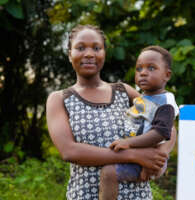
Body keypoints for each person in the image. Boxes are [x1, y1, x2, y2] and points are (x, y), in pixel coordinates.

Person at [46, 24, 176, 200]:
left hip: (137, 195)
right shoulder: (60, 99)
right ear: (70, 55)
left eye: (97, 48)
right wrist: (135, 155)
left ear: (104, 54)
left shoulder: (124, 92)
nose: (90, 54)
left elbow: (168, 128)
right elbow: (70, 151)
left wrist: (159, 159)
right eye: (80, 48)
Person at [99, 46, 179, 200]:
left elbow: (161, 132)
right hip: (140, 155)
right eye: (139, 68)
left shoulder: (165, 102)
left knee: (108, 173)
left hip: (151, 158)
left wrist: (129, 143)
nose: (143, 73)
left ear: (167, 75)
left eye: (151, 68)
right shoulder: (144, 98)